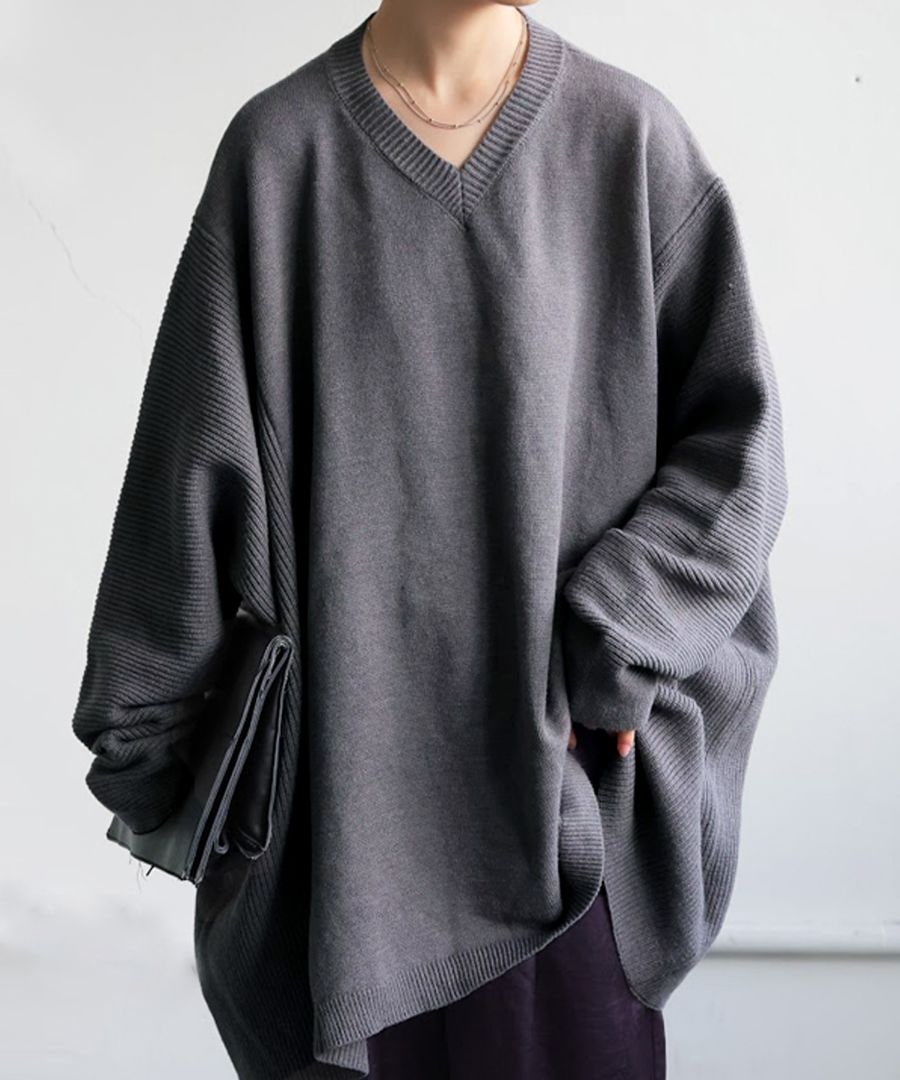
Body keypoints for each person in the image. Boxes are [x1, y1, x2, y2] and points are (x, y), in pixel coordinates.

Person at [70, 2, 788, 1078]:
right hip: (341, 856)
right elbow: (188, 485)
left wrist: (619, 635)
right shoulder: (279, 156)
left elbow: (740, 453)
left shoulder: (632, 143)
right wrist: (149, 750)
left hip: (569, 836)